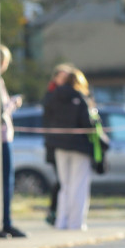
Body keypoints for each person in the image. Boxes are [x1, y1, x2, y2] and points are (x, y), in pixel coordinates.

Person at [43, 66, 99, 230]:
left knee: (64, 186)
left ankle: (61, 222)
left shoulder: (52, 97)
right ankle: (76, 223)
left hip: (59, 146)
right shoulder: (81, 97)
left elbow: (46, 120)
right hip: (79, 147)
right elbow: (88, 124)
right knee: (79, 185)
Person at [0, 44, 26, 239]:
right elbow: (1, 110)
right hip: (1, 137)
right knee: (6, 182)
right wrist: (14, 103)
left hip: (1, 137)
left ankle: (4, 221)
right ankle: (5, 222)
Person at [43, 64, 74, 226]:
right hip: (56, 145)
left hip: (70, 144)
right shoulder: (52, 95)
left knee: (68, 181)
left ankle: (63, 213)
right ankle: (55, 212)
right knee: (61, 180)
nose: (63, 80)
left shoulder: (72, 95)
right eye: (61, 76)